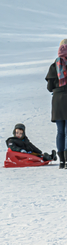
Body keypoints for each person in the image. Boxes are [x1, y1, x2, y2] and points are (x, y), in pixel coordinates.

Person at [46, 39, 67, 169]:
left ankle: (62, 161)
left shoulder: (54, 65)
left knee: (60, 132)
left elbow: (49, 87)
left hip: (58, 101)